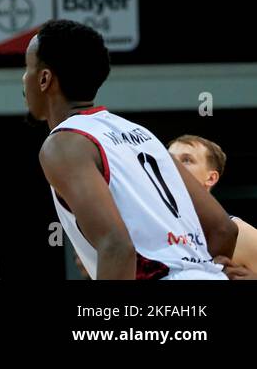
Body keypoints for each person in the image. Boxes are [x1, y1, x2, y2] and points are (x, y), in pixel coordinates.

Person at [25, 19, 234, 279]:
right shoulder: (142, 134)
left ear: (44, 79)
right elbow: (223, 229)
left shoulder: (64, 143)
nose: (24, 79)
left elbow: (117, 246)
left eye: (28, 69)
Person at [167, 134, 257, 277]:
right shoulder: (147, 222)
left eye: (186, 160)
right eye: (169, 158)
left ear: (211, 178)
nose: (172, 165)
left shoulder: (240, 232)